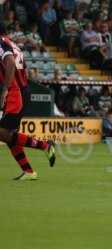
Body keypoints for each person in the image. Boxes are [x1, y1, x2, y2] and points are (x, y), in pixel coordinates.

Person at [0, 23, 56, 180]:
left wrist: (5, 89)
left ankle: (45, 145)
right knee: (9, 135)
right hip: (21, 90)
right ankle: (29, 172)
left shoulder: (0, 43)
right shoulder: (11, 43)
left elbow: (10, 62)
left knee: (3, 133)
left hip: (15, 92)